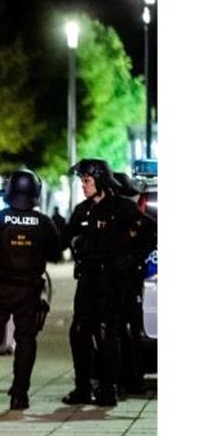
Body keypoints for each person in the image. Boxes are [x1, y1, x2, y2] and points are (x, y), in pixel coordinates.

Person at [59, 159, 149, 407]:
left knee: (110, 334)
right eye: (82, 181)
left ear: (100, 181)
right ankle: (82, 387)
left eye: (86, 181)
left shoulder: (123, 209)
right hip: (87, 279)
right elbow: (62, 240)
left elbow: (150, 233)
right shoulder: (82, 210)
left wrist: (132, 259)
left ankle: (109, 389)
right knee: (79, 333)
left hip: (113, 281)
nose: (84, 186)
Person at [0, 169, 59, 410]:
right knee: (26, 341)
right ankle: (20, 394)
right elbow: (55, 254)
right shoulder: (44, 223)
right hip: (29, 290)